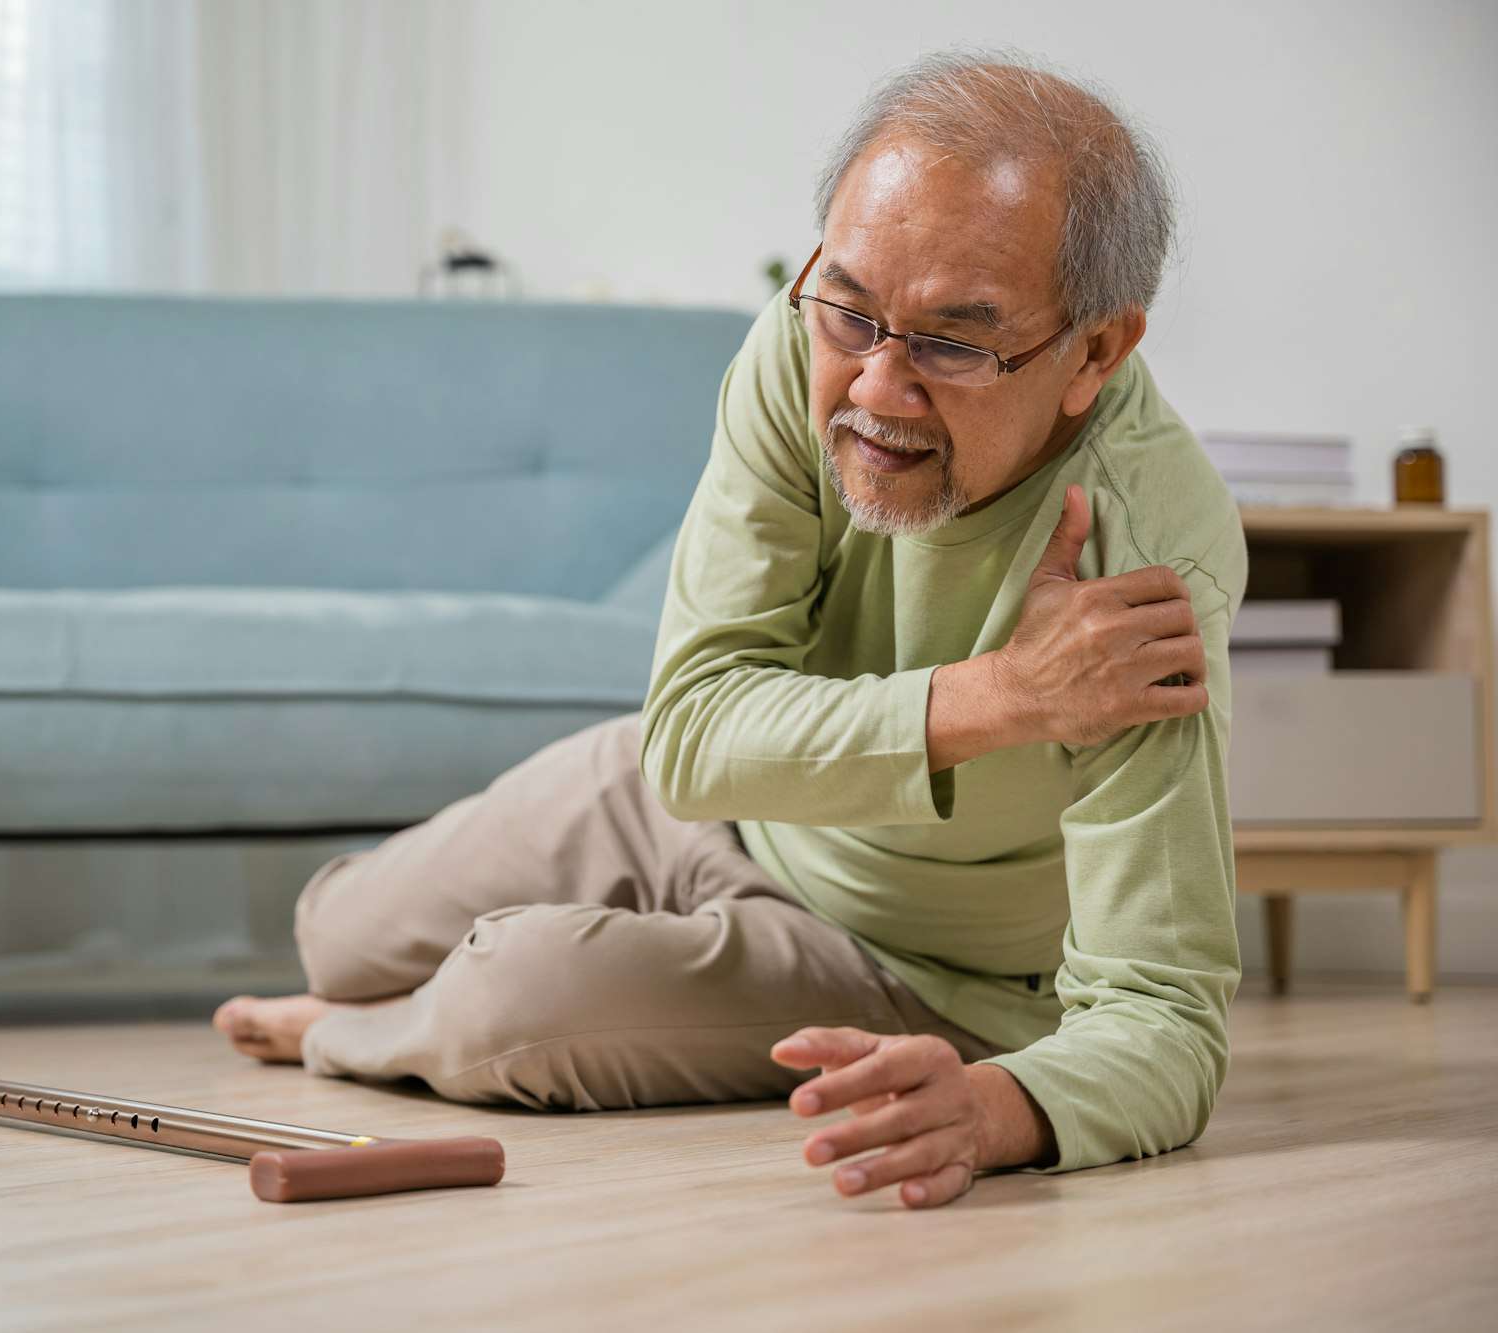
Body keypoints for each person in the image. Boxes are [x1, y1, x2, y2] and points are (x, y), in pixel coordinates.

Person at [214, 49, 1244, 1210]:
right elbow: (692, 736)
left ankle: (348, 1036)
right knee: (336, 931)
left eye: (954, 343)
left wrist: (1000, 1108)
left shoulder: (1148, 557)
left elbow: (1162, 1009)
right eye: (850, 310)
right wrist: (1002, 696)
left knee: (503, 1008)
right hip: (709, 800)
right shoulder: (799, 344)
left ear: (1095, 353)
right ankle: (352, 999)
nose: (875, 390)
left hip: (920, 965)